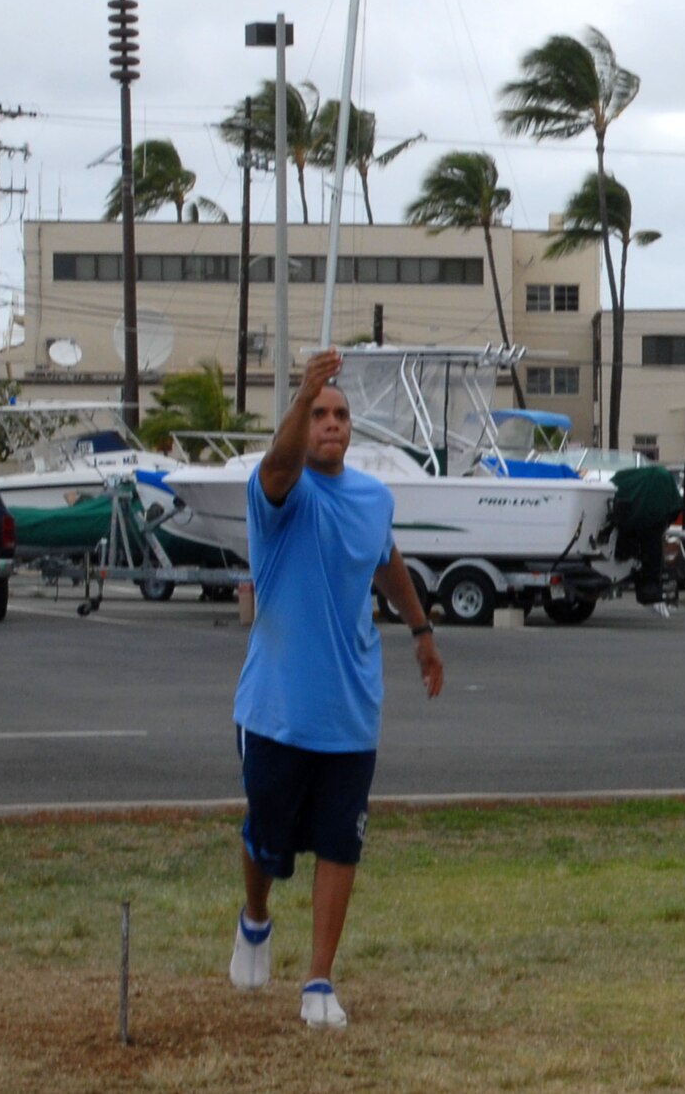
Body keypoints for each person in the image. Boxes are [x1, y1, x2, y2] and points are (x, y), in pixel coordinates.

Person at [227, 347, 444, 1029]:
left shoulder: (373, 498)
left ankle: (319, 979)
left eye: (340, 414)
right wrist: (300, 394)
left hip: (352, 710)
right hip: (276, 710)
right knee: (268, 842)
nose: (330, 422)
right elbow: (280, 462)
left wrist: (420, 628)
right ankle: (255, 917)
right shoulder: (279, 494)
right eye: (320, 412)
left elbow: (386, 559)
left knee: (340, 843)